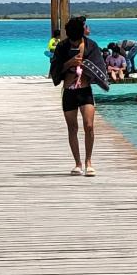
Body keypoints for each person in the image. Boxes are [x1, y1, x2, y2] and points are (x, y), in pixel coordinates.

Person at [49, 15, 108, 176]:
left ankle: (89, 161)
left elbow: (100, 67)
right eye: (72, 40)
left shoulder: (91, 46)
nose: (75, 43)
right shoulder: (62, 47)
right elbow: (54, 71)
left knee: (89, 126)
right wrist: (69, 63)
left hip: (84, 90)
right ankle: (77, 163)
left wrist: (86, 66)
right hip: (69, 91)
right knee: (72, 128)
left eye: (77, 40)